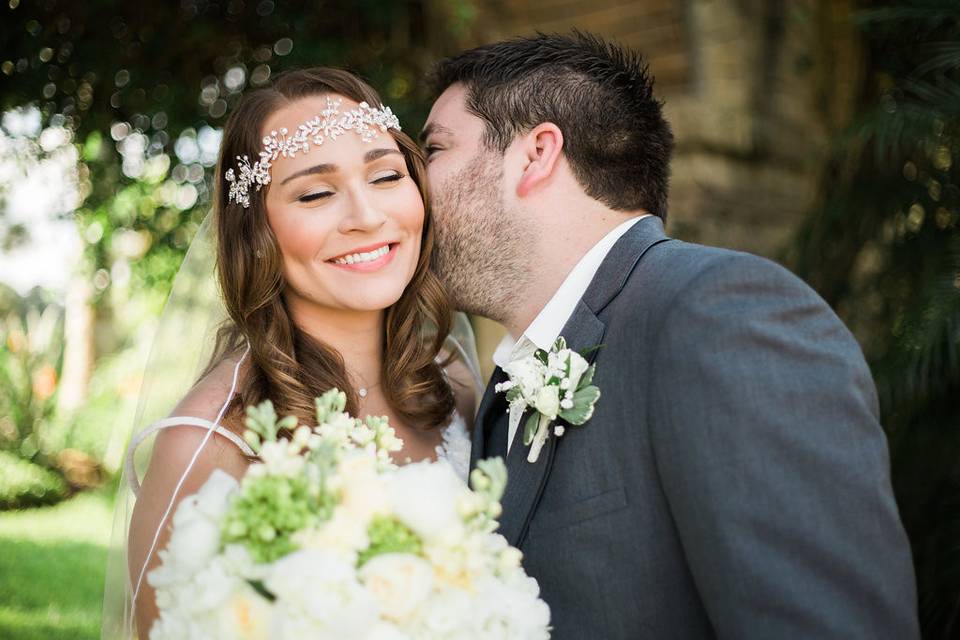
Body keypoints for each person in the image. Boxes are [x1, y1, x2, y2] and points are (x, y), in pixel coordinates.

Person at [422, 30, 920, 638]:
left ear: (535, 154)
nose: (411, 188)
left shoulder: (723, 314)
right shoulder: (497, 395)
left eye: (433, 151)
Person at [101, 67, 482, 639]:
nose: (366, 217)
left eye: (384, 175)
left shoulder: (451, 382)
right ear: (255, 231)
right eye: (316, 193)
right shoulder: (206, 442)